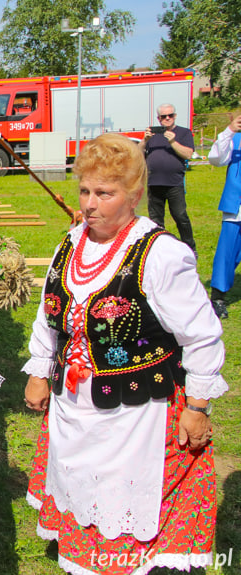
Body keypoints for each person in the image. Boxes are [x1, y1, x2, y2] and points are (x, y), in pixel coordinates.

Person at [23, 133, 226, 575]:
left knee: (122, 496)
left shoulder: (161, 255)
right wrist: (40, 370)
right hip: (73, 402)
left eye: (104, 193)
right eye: (85, 191)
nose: (91, 203)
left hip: (136, 411)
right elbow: (49, 313)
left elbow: (203, 336)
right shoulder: (71, 243)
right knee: (80, 487)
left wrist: (197, 405)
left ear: (134, 195)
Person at [138, 103, 197, 254]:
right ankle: (158, 250)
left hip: (174, 183)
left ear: (175, 116)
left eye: (170, 115)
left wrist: (172, 141)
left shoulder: (184, 133)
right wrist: (144, 140)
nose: (167, 119)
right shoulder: (152, 136)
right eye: (164, 117)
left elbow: (188, 154)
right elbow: (137, 155)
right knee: (155, 220)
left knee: (180, 216)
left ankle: (189, 247)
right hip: (154, 183)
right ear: (159, 119)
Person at [207, 112, 241, 320]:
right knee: (227, 254)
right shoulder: (234, 137)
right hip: (236, 205)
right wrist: (230, 130)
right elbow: (216, 158)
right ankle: (218, 297)